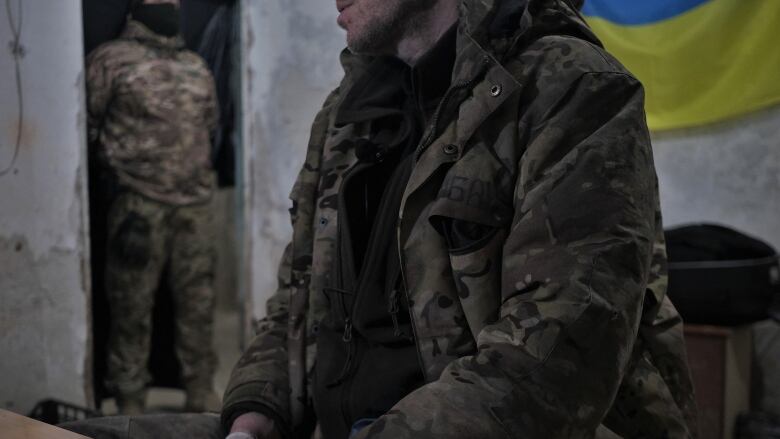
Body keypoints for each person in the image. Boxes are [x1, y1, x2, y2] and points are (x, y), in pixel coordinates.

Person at [222, 0, 698, 438]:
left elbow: (557, 357)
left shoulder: (573, 88)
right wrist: (254, 411)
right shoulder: (347, 114)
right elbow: (297, 301)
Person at [85, 0, 220, 414]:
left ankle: (201, 393)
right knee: (131, 307)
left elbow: (211, 125)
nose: (171, 5)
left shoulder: (196, 64)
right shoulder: (109, 60)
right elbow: (87, 125)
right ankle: (129, 401)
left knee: (198, 305)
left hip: (195, 204)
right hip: (137, 205)